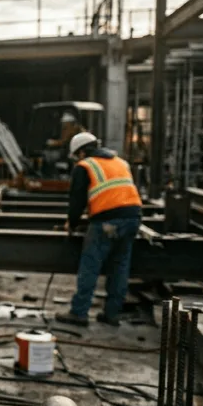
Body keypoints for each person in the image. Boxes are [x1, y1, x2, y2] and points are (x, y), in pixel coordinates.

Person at [58, 132, 142, 327]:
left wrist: (71, 223)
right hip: (132, 219)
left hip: (107, 222)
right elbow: (117, 194)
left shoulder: (85, 166)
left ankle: (79, 313)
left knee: (91, 265)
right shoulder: (121, 162)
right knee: (120, 266)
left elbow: (77, 200)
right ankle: (112, 314)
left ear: (81, 152)